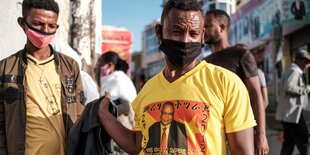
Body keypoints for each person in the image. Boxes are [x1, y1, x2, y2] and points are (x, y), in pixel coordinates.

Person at [98, 0, 256, 154]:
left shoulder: (227, 83)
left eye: (193, 33)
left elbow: (242, 151)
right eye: (177, 32)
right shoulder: (147, 89)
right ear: (159, 32)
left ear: (202, 36)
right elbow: (137, 145)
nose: (186, 40)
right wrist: (104, 114)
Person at [0, 0, 84, 154]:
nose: (45, 31)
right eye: (38, 24)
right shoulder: (5, 69)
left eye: (51, 26)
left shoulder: (70, 67)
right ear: (22, 23)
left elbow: (79, 113)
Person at [203, 10, 269, 155]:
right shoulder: (205, 62)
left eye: (208, 26)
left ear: (222, 27)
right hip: (214, 135)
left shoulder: (241, 54)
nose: (203, 30)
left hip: (241, 132)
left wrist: (261, 135)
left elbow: (256, 95)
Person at [97, 51, 137, 154]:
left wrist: (104, 113)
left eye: (101, 64)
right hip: (126, 127)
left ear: (110, 65)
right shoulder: (122, 78)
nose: (98, 67)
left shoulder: (116, 80)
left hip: (121, 127)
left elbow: (126, 107)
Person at [275, 50, 310, 155]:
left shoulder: (290, 70)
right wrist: (306, 89)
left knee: (289, 143)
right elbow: (289, 87)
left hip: (288, 114)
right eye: (306, 61)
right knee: (304, 140)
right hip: (292, 114)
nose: (307, 64)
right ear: (299, 60)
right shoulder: (294, 71)